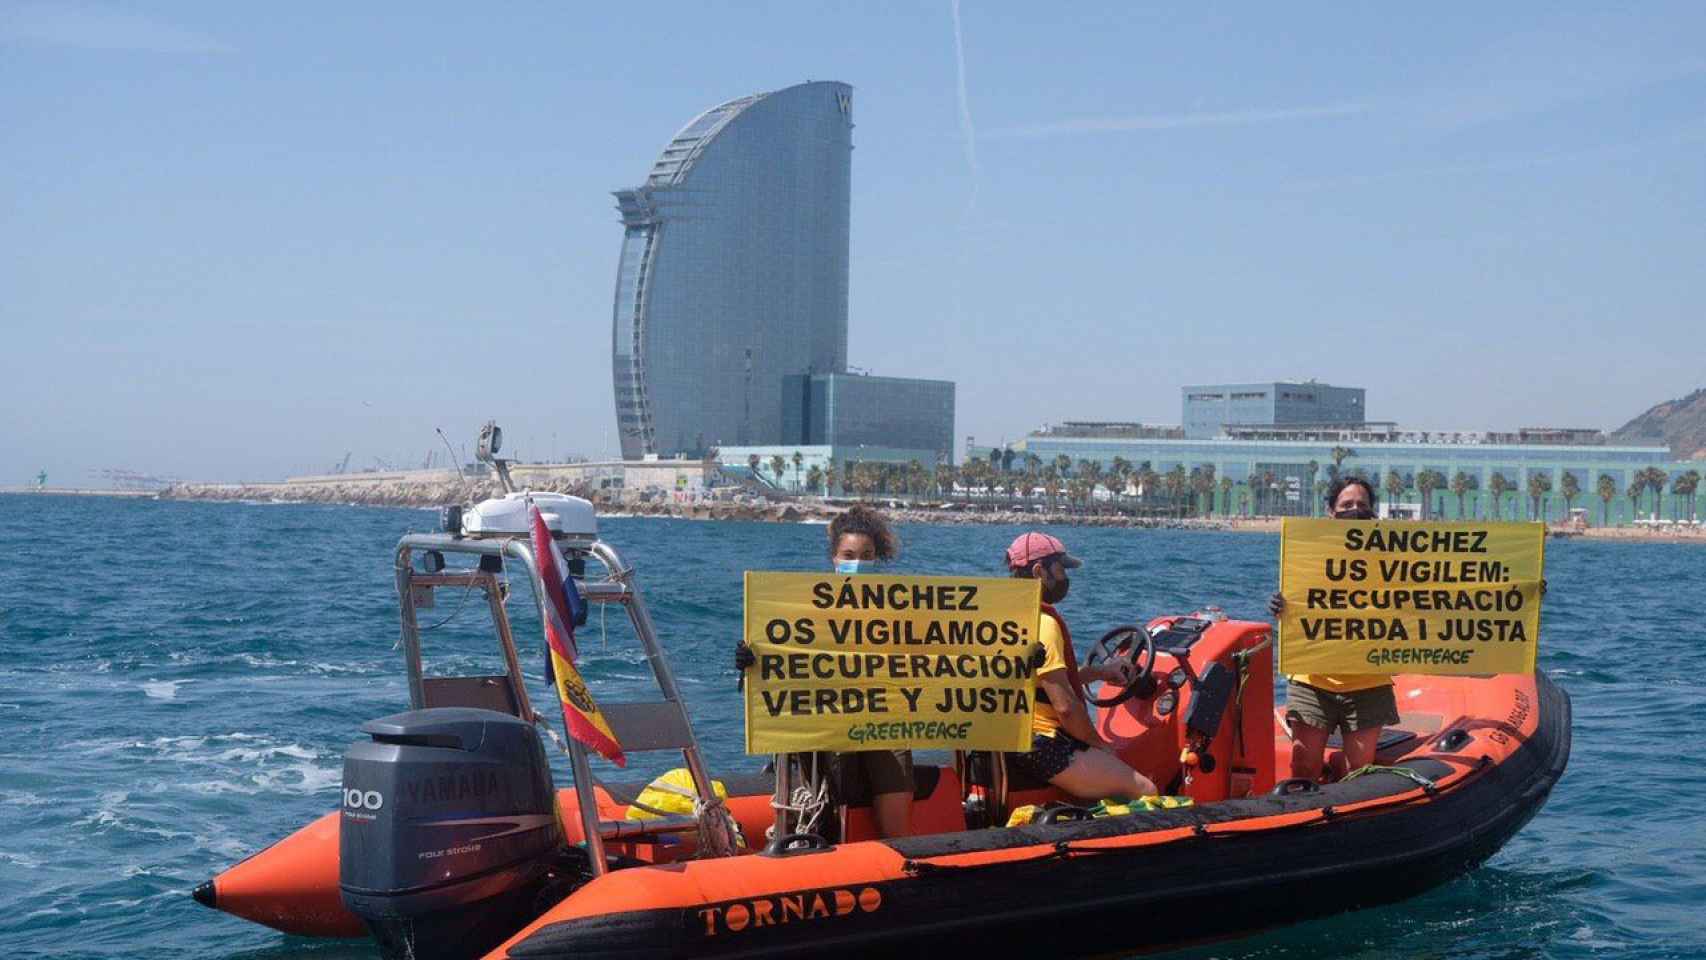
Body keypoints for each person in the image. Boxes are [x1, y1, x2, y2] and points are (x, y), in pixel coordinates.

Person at [736, 505, 914, 838]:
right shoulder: (804, 608)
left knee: (896, 758)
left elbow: (943, 658)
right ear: (834, 557)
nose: (857, 562)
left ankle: (900, 854)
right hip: (829, 717)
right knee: (832, 755)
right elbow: (781, 666)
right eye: (849, 554)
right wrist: (751, 660)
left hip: (883, 718)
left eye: (866, 555)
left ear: (878, 559)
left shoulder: (901, 608)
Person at [1003, 532, 1158, 801]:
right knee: (1146, 791)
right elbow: (1065, 707)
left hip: (1013, 736)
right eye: (1061, 568)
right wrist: (1099, 745)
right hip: (1043, 744)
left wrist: (1100, 672)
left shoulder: (1008, 615)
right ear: (1040, 571)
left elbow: (1039, 679)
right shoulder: (1044, 624)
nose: (1065, 577)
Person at [1268, 476, 1400, 782]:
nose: (1355, 510)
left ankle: (1340, 768)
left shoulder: (1393, 557)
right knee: (1303, 767)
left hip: (1368, 681)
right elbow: (1299, 605)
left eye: (1362, 505)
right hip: (1312, 679)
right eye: (1347, 505)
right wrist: (1280, 606)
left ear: (1373, 513)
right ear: (1331, 511)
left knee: (1360, 774)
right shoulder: (1307, 555)